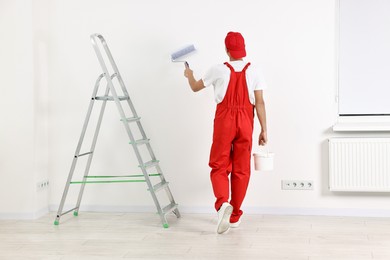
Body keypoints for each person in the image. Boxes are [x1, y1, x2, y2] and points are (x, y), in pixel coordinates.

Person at [184, 31, 268, 234]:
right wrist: (264, 129)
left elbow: (196, 87)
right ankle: (235, 214)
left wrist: (189, 75)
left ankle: (223, 205)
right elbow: (260, 102)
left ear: (226, 50)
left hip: (225, 120)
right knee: (241, 169)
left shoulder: (218, 69)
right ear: (243, 50)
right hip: (246, 121)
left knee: (219, 164)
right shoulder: (255, 71)